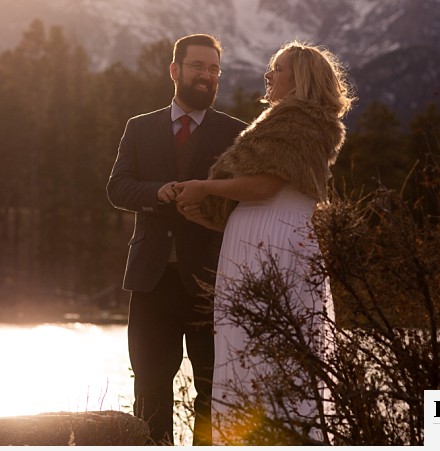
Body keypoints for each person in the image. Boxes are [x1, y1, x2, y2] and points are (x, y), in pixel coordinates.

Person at [173, 40, 354, 445]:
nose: (269, 75)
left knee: (264, 349)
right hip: (266, 238)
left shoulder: (297, 121)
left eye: (278, 68)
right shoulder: (294, 121)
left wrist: (204, 187)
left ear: (300, 79)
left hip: (273, 245)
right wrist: (213, 218)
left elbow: (267, 185)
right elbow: (267, 201)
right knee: (257, 345)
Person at [107, 34, 247, 445]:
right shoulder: (140, 128)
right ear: (175, 71)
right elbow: (117, 188)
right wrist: (157, 192)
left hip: (211, 282)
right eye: (198, 67)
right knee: (149, 389)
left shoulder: (237, 133)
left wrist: (207, 206)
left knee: (213, 387)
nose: (207, 76)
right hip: (151, 280)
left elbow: (243, 200)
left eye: (214, 69)